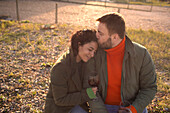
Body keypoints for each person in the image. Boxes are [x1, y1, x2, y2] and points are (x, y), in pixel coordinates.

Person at [86, 12, 157, 113]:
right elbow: (89, 88)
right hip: (101, 106)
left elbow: (150, 87)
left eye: (100, 33)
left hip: (131, 106)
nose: (96, 36)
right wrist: (100, 111)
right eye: (97, 31)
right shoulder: (94, 53)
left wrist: (133, 109)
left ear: (115, 37)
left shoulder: (142, 54)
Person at [44, 29, 98, 113]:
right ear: (79, 45)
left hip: (77, 105)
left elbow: (90, 89)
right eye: (90, 50)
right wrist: (86, 95)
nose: (92, 55)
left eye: (94, 51)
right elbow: (60, 100)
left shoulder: (86, 62)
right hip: (59, 109)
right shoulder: (60, 67)